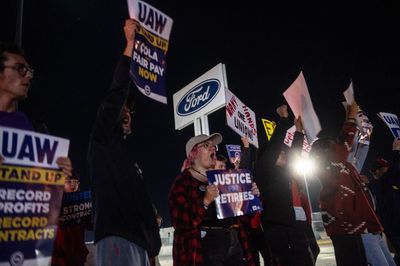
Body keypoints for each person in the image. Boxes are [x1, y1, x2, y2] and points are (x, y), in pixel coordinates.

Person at [87, 19, 161, 266]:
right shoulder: (102, 140)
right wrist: (130, 45)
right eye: (122, 110)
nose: (126, 113)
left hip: (139, 245)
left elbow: (141, 201)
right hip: (115, 239)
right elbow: (116, 93)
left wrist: (153, 242)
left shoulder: (128, 157)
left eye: (130, 111)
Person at [310, 101, 382, 266]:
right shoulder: (327, 167)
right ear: (325, 154)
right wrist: (350, 117)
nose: (337, 148)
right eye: (332, 148)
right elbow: (344, 144)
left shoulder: (340, 167)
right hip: (343, 226)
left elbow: (355, 148)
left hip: (352, 225)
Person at [168, 133, 259, 266]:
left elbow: (243, 219)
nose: (213, 149)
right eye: (206, 145)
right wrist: (204, 202)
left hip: (234, 246)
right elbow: (180, 222)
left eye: (214, 146)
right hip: (203, 250)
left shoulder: (223, 180)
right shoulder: (182, 183)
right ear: (193, 153)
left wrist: (250, 199)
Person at [0, 41, 73, 176]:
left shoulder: (33, 127)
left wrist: (56, 169)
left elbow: (38, 183)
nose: (29, 76)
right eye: (20, 68)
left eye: (29, 71)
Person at [254, 105, 315, 266]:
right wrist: (282, 119)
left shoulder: (284, 171)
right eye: (279, 152)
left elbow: (294, 151)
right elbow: (274, 144)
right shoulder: (263, 170)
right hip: (276, 228)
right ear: (268, 157)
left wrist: (300, 132)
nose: (283, 153)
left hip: (292, 226)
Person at [369, 139, 400, 265]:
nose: (388, 170)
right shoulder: (378, 184)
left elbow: (395, 173)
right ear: (377, 171)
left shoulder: (389, 182)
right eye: (385, 169)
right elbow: (392, 172)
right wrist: (396, 152)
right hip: (391, 225)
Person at [51, 172, 90, 266]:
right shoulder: (53, 204)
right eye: (69, 182)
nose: (73, 185)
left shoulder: (81, 206)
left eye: (76, 182)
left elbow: (91, 224)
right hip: (58, 259)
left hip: (77, 259)